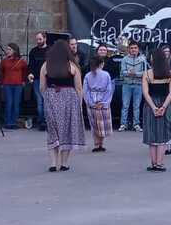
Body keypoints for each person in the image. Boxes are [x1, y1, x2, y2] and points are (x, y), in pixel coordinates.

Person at [41, 39, 84, 171]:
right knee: (67, 131)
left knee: (52, 131)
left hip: (52, 97)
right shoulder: (72, 66)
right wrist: (79, 104)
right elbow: (79, 88)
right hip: (69, 99)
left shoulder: (46, 65)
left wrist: (47, 97)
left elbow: (42, 87)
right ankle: (64, 163)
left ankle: (53, 163)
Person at [141, 50, 171, 171]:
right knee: (163, 134)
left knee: (152, 134)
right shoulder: (170, 74)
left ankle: (153, 163)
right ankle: (160, 163)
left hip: (150, 105)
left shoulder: (147, 74)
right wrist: (163, 107)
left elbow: (145, 93)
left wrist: (153, 107)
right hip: (164, 103)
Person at [83, 54, 113, 153]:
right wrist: (104, 102)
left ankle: (96, 144)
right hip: (103, 100)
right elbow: (109, 90)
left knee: (94, 124)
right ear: (101, 64)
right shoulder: (106, 74)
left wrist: (90, 102)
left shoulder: (87, 75)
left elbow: (86, 91)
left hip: (92, 100)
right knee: (102, 124)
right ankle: (101, 144)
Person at [119, 42, 147, 132]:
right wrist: (128, 73)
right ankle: (123, 124)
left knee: (136, 106)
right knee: (125, 105)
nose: (133, 50)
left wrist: (135, 74)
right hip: (126, 84)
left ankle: (136, 124)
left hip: (138, 85)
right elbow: (122, 72)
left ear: (138, 49)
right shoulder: (124, 59)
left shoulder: (143, 59)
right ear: (129, 49)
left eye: (135, 48)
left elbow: (145, 73)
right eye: (131, 48)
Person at [0, 42, 28, 129]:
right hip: (7, 84)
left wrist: (23, 81)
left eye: (9, 49)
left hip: (18, 84)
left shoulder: (21, 61)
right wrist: (2, 82)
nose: (7, 51)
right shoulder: (4, 61)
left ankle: (14, 122)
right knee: (9, 103)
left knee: (16, 103)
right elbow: (1, 73)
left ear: (15, 51)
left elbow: (25, 72)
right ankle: (8, 122)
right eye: (7, 49)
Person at [26, 32, 49, 131]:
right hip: (36, 79)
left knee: (47, 101)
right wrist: (30, 73)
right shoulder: (33, 51)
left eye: (40, 39)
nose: (38, 41)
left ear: (45, 39)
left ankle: (47, 121)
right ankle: (42, 121)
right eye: (37, 39)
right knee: (40, 101)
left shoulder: (50, 50)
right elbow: (30, 65)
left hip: (48, 79)